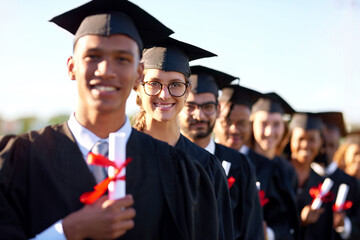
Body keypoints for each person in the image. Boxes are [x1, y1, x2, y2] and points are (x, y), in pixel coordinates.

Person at [0, 1, 220, 239]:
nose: (106, 69)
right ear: (72, 67)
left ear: (138, 73)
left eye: (122, 59)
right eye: (93, 56)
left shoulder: (175, 168)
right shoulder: (20, 159)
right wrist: (66, 232)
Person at [133, 38, 234, 240]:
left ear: (187, 91)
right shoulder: (118, 154)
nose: (164, 94)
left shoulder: (207, 166)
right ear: (137, 86)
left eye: (175, 85)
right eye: (153, 83)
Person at [178, 65, 265, 240]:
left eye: (208, 107)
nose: (199, 115)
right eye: (191, 106)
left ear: (218, 110)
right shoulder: (166, 156)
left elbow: (251, 230)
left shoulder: (240, 165)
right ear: (179, 106)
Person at [213, 85, 299, 240]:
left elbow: (283, 219)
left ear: (249, 124)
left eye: (242, 123)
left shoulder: (267, 168)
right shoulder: (201, 157)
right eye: (227, 121)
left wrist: (269, 233)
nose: (234, 129)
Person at [312, 112, 360, 240]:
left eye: (331, 145)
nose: (325, 150)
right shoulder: (302, 177)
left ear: (339, 147)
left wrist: (346, 224)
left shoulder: (351, 183)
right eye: (323, 145)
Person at [288, 112, 334, 240]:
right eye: (300, 139)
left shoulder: (322, 185)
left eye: (312, 139)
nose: (305, 145)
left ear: (321, 143)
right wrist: (299, 220)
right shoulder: (277, 174)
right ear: (290, 139)